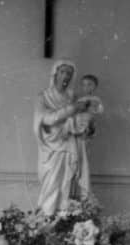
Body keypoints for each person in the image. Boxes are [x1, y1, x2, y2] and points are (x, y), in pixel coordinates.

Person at [34, 59, 90, 217]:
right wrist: (72, 109)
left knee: (68, 185)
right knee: (51, 186)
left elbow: (80, 124)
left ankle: (64, 220)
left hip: (70, 146)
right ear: (55, 74)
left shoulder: (72, 97)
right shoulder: (43, 97)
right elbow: (47, 119)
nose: (66, 76)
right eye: (63, 72)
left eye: (70, 74)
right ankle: (46, 220)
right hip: (51, 148)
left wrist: (87, 125)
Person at [71, 73, 103, 197]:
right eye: (84, 84)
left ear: (94, 87)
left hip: (85, 130)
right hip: (75, 130)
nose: (86, 87)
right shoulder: (78, 99)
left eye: (89, 84)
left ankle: (83, 191)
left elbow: (97, 112)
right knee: (75, 159)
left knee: (82, 158)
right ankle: (76, 190)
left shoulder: (95, 100)